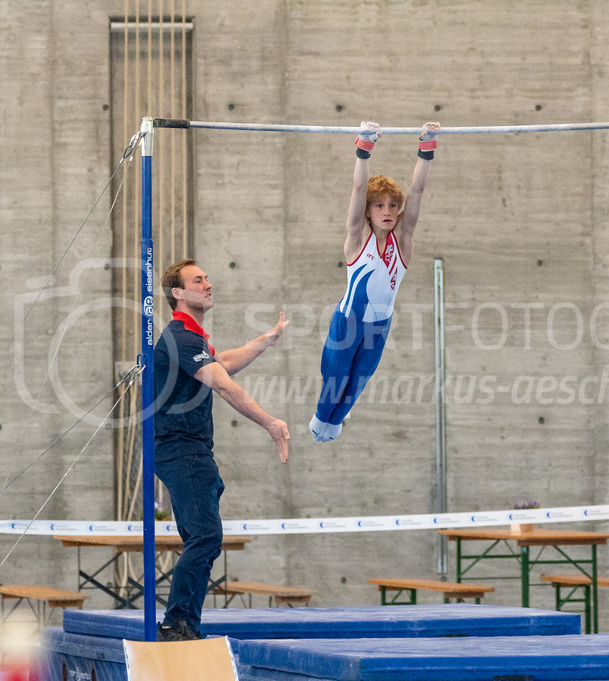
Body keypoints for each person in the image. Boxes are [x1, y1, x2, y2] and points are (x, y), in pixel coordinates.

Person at [153, 258, 291, 641]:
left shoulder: (192, 338)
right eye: (199, 280)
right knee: (206, 536)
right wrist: (271, 423)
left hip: (190, 449)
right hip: (181, 449)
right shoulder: (180, 336)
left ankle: (184, 623)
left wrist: (264, 341)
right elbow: (224, 384)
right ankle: (177, 623)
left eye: (208, 278)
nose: (208, 284)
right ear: (178, 293)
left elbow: (223, 362)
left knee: (202, 536)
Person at [309, 120, 440, 442]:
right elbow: (357, 189)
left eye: (394, 205)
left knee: (357, 383)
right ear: (367, 211)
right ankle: (323, 420)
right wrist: (364, 148)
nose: (388, 211)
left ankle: (334, 420)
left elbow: (418, 191)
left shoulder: (404, 241)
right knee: (336, 378)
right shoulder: (357, 240)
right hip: (348, 322)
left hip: (379, 326)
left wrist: (426, 147)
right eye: (379, 205)